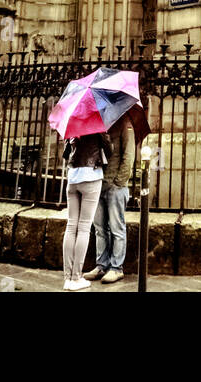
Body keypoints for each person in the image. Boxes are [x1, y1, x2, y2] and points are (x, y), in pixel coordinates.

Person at [84, 112, 135, 284]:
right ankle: (101, 265)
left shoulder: (124, 123)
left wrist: (119, 182)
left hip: (115, 186)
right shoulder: (97, 124)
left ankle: (116, 268)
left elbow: (129, 154)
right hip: (97, 182)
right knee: (99, 228)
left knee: (116, 228)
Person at [62, 130, 112, 291]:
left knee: (71, 227)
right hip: (91, 176)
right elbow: (109, 150)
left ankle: (67, 278)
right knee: (84, 228)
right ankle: (76, 277)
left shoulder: (71, 124)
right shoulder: (96, 124)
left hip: (73, 178)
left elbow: (66, 153)